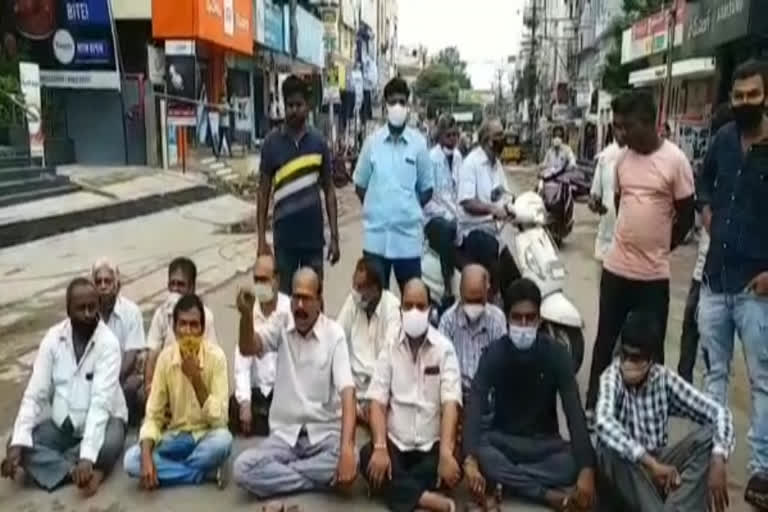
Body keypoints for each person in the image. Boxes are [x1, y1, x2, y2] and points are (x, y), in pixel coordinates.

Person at [584, 90, 695, 416]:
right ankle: (595, 406)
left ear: (649, 124)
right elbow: (620, 203)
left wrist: (663, 246)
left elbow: (686, 214)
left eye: (625, 127)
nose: (619, 134)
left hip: (652, 277)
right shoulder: (621, 160)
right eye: (616, 127)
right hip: (617, 270)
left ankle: (650, 412)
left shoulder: (675, 161)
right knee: (605, 340)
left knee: (652, 348)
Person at [696, 58, 768, 508]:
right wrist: (705, 208)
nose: (743, 103)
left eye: (752, 95)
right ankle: (714, 454)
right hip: (714, 280)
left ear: (766, 96)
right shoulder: (722, 139)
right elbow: (704, 181)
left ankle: (762, 469)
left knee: (763, 381)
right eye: (737, 96)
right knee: (715, 376)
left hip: (755, 288)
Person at [464, 278, 596, 511]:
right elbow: (475, 402)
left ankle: (508, 482)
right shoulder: (494, 354)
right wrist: (471, 460)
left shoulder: (557, 354)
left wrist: (586, 470)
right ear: (507, 318)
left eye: (530, 318)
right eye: (517, 317)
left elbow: (574, 411)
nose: (523, 324)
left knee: (578, 460)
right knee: (480, 451)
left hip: (544, 444)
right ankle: (546, 495)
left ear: (540, 319)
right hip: (503, 440)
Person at [232, 267, 358, 503]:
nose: (300, 306)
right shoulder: (281, 323)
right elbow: (249, 347)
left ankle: (283, 477)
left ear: (319, 301)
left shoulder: (334, 335)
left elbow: (348, 394)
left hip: (323, 436)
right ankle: (317, 480)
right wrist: (246, 315)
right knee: (242, 468)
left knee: (353, 459)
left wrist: (348, 448)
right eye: (296, 297)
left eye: (307, 299)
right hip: (285, 436)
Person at [595, 311, 733, 512]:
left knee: (712, 437)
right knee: (609, 450)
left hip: (658, 467)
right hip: (627, 473)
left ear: (651, 360)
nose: (628, 363)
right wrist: (650, 463)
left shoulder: (663, 379)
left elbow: (719, 412)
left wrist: (719, 457)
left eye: (636, 357)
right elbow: (603, 421)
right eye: (625, 355)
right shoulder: (611, 377)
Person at [2, 278, 126, 496]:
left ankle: (78, 464)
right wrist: (18, 443)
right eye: (81, 308)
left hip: (104, 421)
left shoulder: (109, 344)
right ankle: (73, 471)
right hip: (64, 426)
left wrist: (88, 454)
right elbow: (35, 393)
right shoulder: (53, 338)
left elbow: (101, 403)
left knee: (110, 444)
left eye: (92, 307)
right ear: (68, 310)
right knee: (16, 441)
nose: (88, 314)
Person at [360, 278, 462, 512]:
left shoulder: (444, 348)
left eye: (420, 305)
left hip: (432, 446)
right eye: (408, 306)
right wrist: (380, 446)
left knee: (453, 463)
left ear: (430, 309)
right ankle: (427, 499)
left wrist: (446, 453)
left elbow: (450, 404)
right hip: (396, 444)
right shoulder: (390, 345)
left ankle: (397, 491)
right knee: (368, 457)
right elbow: (377, 400)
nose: (414, 311)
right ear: (400, 309)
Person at [124, 294, 232, 488]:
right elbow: (153, 416)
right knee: (132, 460)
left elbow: (220, 420)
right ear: (174, 329)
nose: (188, 332)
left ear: (202, 329)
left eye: (194, 325)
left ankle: (170, 471)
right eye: (182, 325)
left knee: (223, 441)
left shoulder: (217, 358)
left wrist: (196, 380)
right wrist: (147, 456)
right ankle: (199, 473)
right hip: (175, 436)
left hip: (206, 436)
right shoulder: (165, 360)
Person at [257, 75, 340, 294]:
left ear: (308, 106)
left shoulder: (319, 142)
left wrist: (334, 237)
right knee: (285, 302)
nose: (294, 110)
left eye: (298, 104)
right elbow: (263, 192)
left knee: (313, 298)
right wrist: (260, 240)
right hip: (284, 240)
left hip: (313, 239)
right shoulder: (271, 143)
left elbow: (329, 190)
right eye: (289, 105)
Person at [353, 77, 434, 292]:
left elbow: (427, 189)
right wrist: (378, 207)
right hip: (376, 241)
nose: (397, 107)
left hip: (408, 241)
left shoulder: (418, 144)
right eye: (392, 102)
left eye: (401, 102)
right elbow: (360, 185)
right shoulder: (372, 143)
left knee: (412, 302)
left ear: (408, 106)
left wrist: (406, 208)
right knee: (374, 304)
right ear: (385, 106)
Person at [675, 103, 732, 384]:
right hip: (703, 270)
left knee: (712, 334)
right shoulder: (712, 173)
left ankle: (709, 387)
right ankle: (686, 382)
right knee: (693, 327)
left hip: (728, 274)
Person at [337, 257, 401, 424]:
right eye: (354, 285)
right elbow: (337, 338)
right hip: (353, 388)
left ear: (375, 289)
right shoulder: (353, 302)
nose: (354, 292)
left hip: (380, 389)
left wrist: (373, 399)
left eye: (360, 287)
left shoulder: (392, 307)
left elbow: (388, 357)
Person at [230, 254, 288, 437]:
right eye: (256, 280)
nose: (260, 285)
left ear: (276, 280)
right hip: (258, 393)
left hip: (283, 393)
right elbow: (243, 360)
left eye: (264, 279)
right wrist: (245, 403)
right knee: (234, 406)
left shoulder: (289, 310)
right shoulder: (250, 309)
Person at [145, 258, 218, 398]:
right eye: (172, 284)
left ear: (192, 288)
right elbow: (152, 354)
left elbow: (212, 359)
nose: (175, 290)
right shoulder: (161, 314)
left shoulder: (206, 316)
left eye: (181, 285)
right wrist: (149, 389)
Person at [457, 117, 515, 292]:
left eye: (502, 133)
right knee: (495, 274)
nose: (503, 138)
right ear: (487, 140)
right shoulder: (471, 163)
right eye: (498, 135)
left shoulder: (496, 165)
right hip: (473, 231)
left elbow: (505, 194)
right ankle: (489, 303)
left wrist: (512, 207)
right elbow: (466, 201)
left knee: (514, 276)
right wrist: (493, 210)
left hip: (494, 232)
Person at [91, 258, 146, 426]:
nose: (103, 286)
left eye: (107, 281)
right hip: (96, 378)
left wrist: (110, 382)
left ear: (117, 285)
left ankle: (128, 426)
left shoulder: (131, 312)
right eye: (98, 282)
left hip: (124, 375)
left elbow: (131, 355)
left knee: (131, 388)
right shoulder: (88, 313)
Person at [438, 264, 506, 397]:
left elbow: (501, 364)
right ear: (461, 292)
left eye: (478, 300)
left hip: (487, 395)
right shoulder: (448, 320)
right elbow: (442, 364)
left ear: (487, 293)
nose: (473, 306)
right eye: (469, 300)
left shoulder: (497, 320)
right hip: (456, 394)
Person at [424, 114, 462, 304]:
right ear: (440, 136)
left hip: (455, 214)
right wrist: (448, 215)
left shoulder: (458, 157)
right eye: (449, 135)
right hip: (433, 217)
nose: (453, 139)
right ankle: (447, 285)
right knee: (447, 230)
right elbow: (428, 199)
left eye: (455, 135)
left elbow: (460, 191)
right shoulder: (431, 159)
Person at [588, 126, 625, 269]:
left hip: (624, 241)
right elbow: (595, 194)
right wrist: (596, 205)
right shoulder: (605, 158)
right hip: (608, 236)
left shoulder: (638, 158)